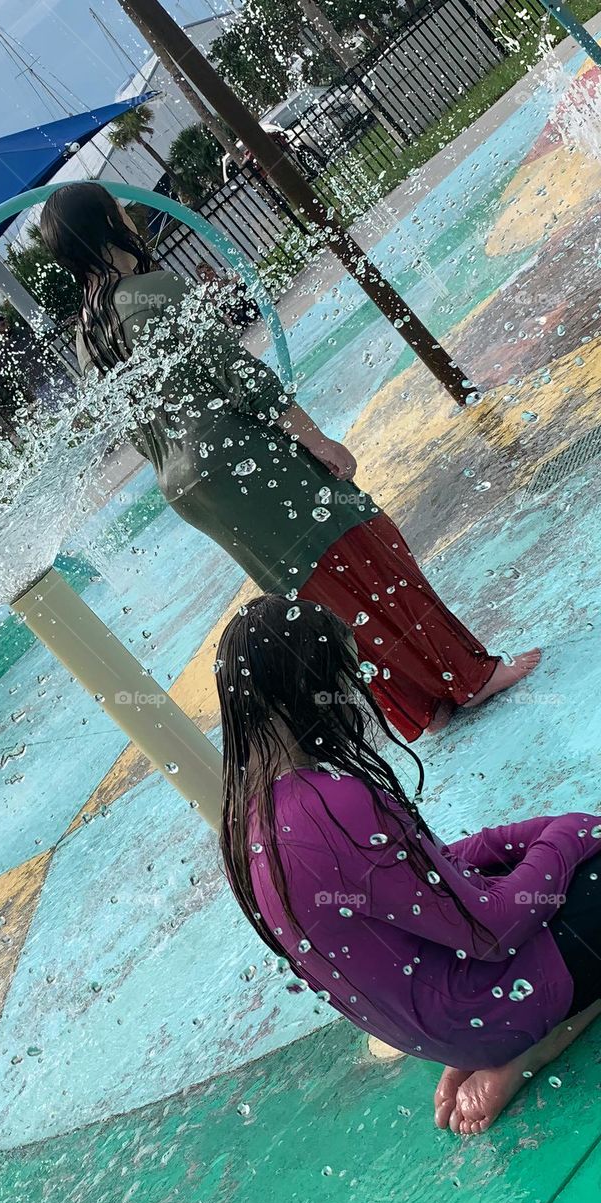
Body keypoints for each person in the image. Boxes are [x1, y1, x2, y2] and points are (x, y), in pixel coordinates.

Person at [39, 182, 539, 741]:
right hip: (237, 452)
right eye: (119, 212)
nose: (131, 218)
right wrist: (316, 439)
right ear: (107, 224)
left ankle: (420, 704)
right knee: (366, 547)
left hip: (187, 487)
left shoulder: (86, 339)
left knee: (317, 591)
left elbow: (139, 430)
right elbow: (238, 375)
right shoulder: (151, 289)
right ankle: (470, 675)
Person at [216, 596, 601, 1136]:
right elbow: (493, 929)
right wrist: (570, 833)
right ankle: (529, 1051)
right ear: (309, 689)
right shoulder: (335, 806)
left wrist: (522, 837)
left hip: (439, 1028)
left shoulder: (243, 823)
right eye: (347, 677)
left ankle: (491, 1045)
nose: (357, 696)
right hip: (496, 1009)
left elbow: (421, 877)